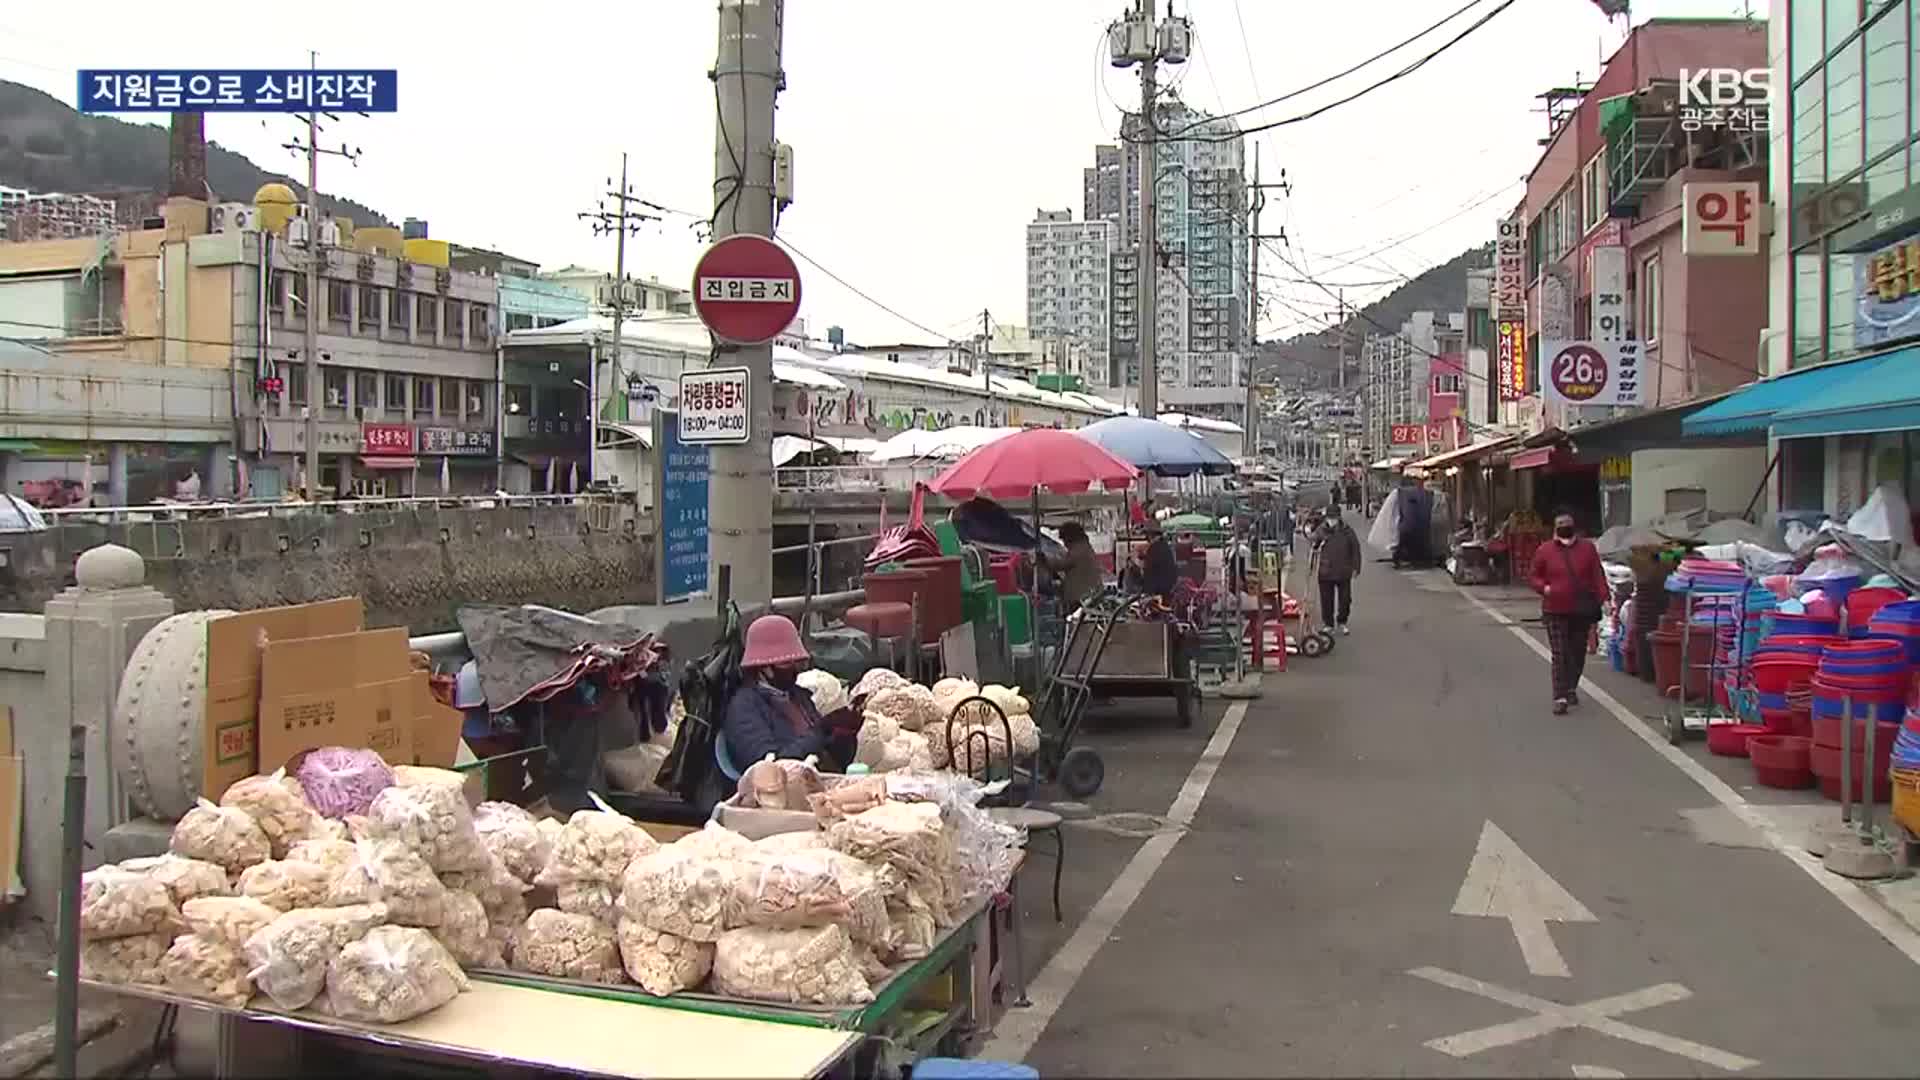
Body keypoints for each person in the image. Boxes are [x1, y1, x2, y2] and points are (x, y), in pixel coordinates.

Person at [722, 614, 854, 768]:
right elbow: (770, 767)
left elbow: (829, 751)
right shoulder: (744, 707)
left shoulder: (799, 696)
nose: (794, 669)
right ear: (764, 667)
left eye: (795, 662)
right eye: (785, 663)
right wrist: (821, 730)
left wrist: (843, 733)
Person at [1529, 509, 1610, 715]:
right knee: (1559, 653)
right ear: (1555, 528)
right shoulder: (1545, 550)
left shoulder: (1587, 549)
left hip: (1580, 610)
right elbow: (1534, 576)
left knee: (1577, 652)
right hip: (1554, 610)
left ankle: (1571, 686)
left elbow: (1597, 575)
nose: (1564, 526)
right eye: (1561, 523)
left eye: (1567, 522)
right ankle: (1560, 695)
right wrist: (1544, 588)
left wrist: (1605, 598)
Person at [1314, 506, 1362, 636]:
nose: (1332, 520)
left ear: (1339, 517)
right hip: (1325, 571)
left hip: (1343, 570)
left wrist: (1356, 567)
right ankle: (1328, 624)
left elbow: (1355, 549)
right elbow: (1314, 545)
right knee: (1326, 599)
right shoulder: (1321, 530)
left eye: (1334, 517)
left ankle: (1342, 622)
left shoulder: (1347, 531)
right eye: (1330, 517)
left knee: (1345, 599)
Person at [1044, 522, 1103, 612]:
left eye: (1064, 539)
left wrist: (1043, 559)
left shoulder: (1079, 549)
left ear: (1070, 537)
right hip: (1088, 595)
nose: (1064, 543)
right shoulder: (1084, 547)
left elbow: (1060, 564)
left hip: (1082, 596)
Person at [1140, 516, 1179, 598]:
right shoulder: (1165, 546)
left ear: (1150, 534)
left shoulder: (1155, 548)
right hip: (1167, 589)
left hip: (1158, 591)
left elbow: (1150, 572)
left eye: (1146, 534)